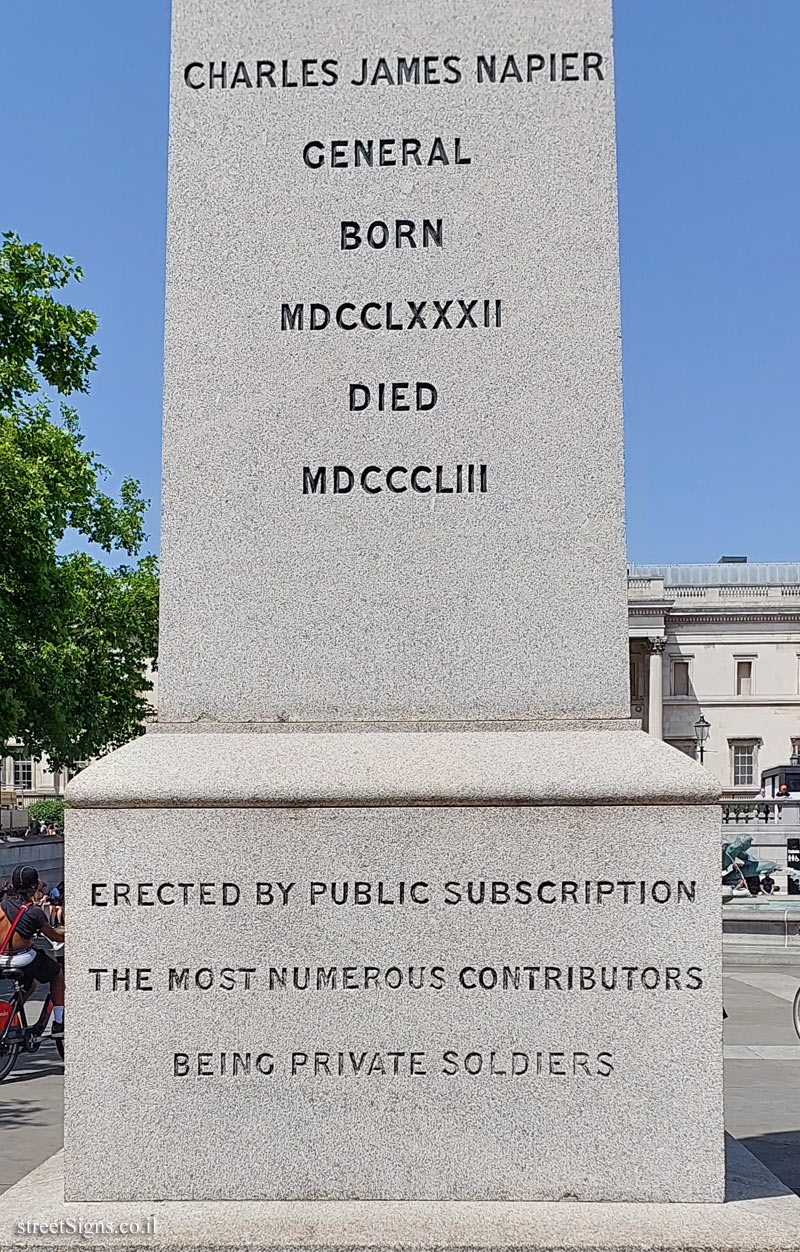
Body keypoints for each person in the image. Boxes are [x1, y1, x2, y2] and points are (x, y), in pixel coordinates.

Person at [0, 865, 65, 1035]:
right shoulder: (33, 913)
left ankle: (10, 1016)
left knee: (28, 987)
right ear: (33, 886)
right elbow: (56, 937)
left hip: (2, 959)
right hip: (22, 958)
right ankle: (59, 1022)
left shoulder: (2, 905)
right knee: (57, 973)